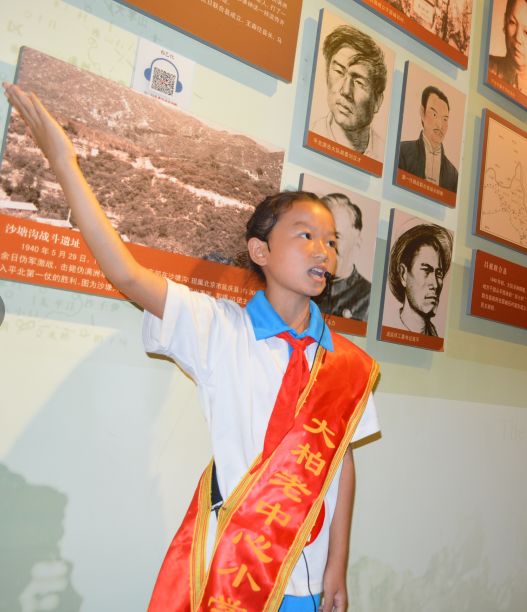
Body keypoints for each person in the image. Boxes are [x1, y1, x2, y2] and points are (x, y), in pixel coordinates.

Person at [4, 82, 381, 612]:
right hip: (232, 572)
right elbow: (128, 276)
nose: (324, 251)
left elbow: (340, 464)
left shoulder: (346, 365)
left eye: (332, 242)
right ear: (260, 250)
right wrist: (65, 163)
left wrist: (337, 564)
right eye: (305, 235)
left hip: (312, 582)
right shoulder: (220, 329)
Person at [311, 25, 388, 158]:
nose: (346, 91)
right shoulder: (311, 132)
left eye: (359, 82)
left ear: (377, 101)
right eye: (339, 72)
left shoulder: (385, 156)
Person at [386, 223, 453, 337]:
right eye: (426, 270)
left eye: (439, 274)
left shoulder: (435, 335)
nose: (435, 284)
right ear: (403, 274)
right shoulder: (390, 325)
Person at [315, 193, 371, 322]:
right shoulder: (300, 285)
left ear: (357, 243)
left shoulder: (369, 299)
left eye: (336, 236)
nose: (324, 247)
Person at [397, 85, 459, 192]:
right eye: (434, 114)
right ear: (422, 112)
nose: (440, 125)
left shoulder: (453, 174)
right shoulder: (402, 151)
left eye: (445, 119)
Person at [488, 0, 527, 101]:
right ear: (505, 23)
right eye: (512, 22)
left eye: (526, 32)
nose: (518, 38)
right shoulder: (486, 65)